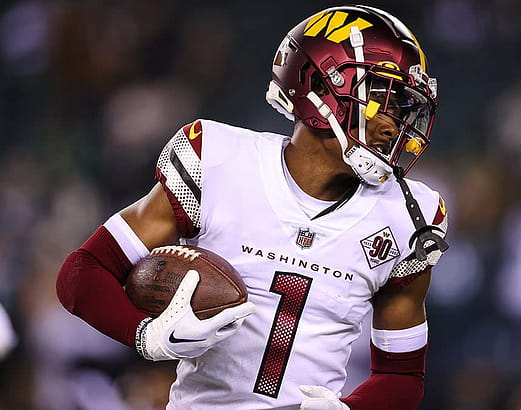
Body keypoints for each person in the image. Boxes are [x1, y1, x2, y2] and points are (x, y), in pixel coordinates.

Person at [56, 5, 448, 409]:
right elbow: (82, 272)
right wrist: (147, 335)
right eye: (382, 99)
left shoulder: (407, 217)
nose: (393, 124)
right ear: (319, 86)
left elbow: (401, 376)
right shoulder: (218, 161)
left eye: (402, 108)